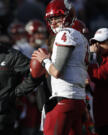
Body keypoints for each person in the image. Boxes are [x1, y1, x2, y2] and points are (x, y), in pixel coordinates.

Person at [31, 0, 89, 135]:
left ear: (68, 15)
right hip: (77, 99)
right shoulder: (80, 37)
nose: (54, 22)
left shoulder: (66, 34)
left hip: (65, 99)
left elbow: (56, 71)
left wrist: (44, 60)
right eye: (51, 19)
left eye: (57, 17)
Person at [88, 28, 108, 135]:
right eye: (95, 42)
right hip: (102, 116)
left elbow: (98, 76)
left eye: (101, 42)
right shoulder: (104, 59)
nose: (97, 45)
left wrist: (92, 56)